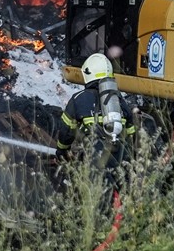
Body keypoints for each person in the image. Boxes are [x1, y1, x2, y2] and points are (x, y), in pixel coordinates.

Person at [54, 52, 137, 199]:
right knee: (123, 200)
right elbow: (133, 134)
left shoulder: (78, 99)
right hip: (121, 160)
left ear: (88, 73)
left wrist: (61, 151)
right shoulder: (119, 100)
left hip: (94, 161)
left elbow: (66, 131)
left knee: (96, 203)